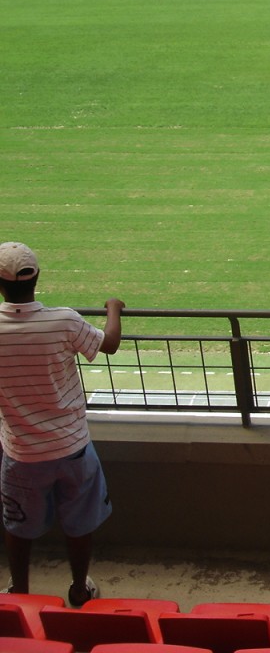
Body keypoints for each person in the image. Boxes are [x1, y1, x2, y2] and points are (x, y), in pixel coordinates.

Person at [0, 242, 125, 607]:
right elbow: (110, 344)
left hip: (21, 453)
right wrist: (113, 308)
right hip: (73, 449)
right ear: (37, 277)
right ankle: (78, 590)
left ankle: (19, 592)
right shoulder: (64, 320)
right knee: (80, 523)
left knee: (18, 526)